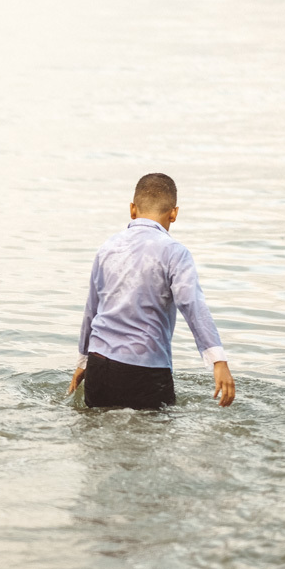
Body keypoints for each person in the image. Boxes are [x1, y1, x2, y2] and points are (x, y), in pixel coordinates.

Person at [69, 173, 236, 409]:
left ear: (132, 209)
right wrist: (217, 360)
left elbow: (92, 308)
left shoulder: (108, 247)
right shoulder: (175, 252)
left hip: (99, 364)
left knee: (96, 428)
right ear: (174, 214)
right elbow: (191, 304)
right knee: (154, 431)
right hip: (146, 368)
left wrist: (83, 361)